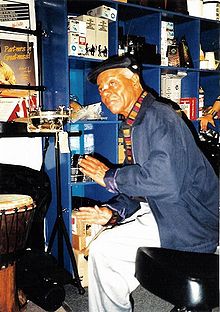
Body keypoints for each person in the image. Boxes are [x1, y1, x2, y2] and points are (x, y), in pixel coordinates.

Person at [76, 55, 218, 312]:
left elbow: (166, 181)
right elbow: (143, 189)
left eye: (112, 83)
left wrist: (110, 177)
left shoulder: (159, 116)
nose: (106, 93)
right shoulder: (137, 120)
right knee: (104, 250)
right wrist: (114, 211)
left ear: (133, 80)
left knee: (105, 251)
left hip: (188, 220)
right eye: (101, 89)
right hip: (166, 211)